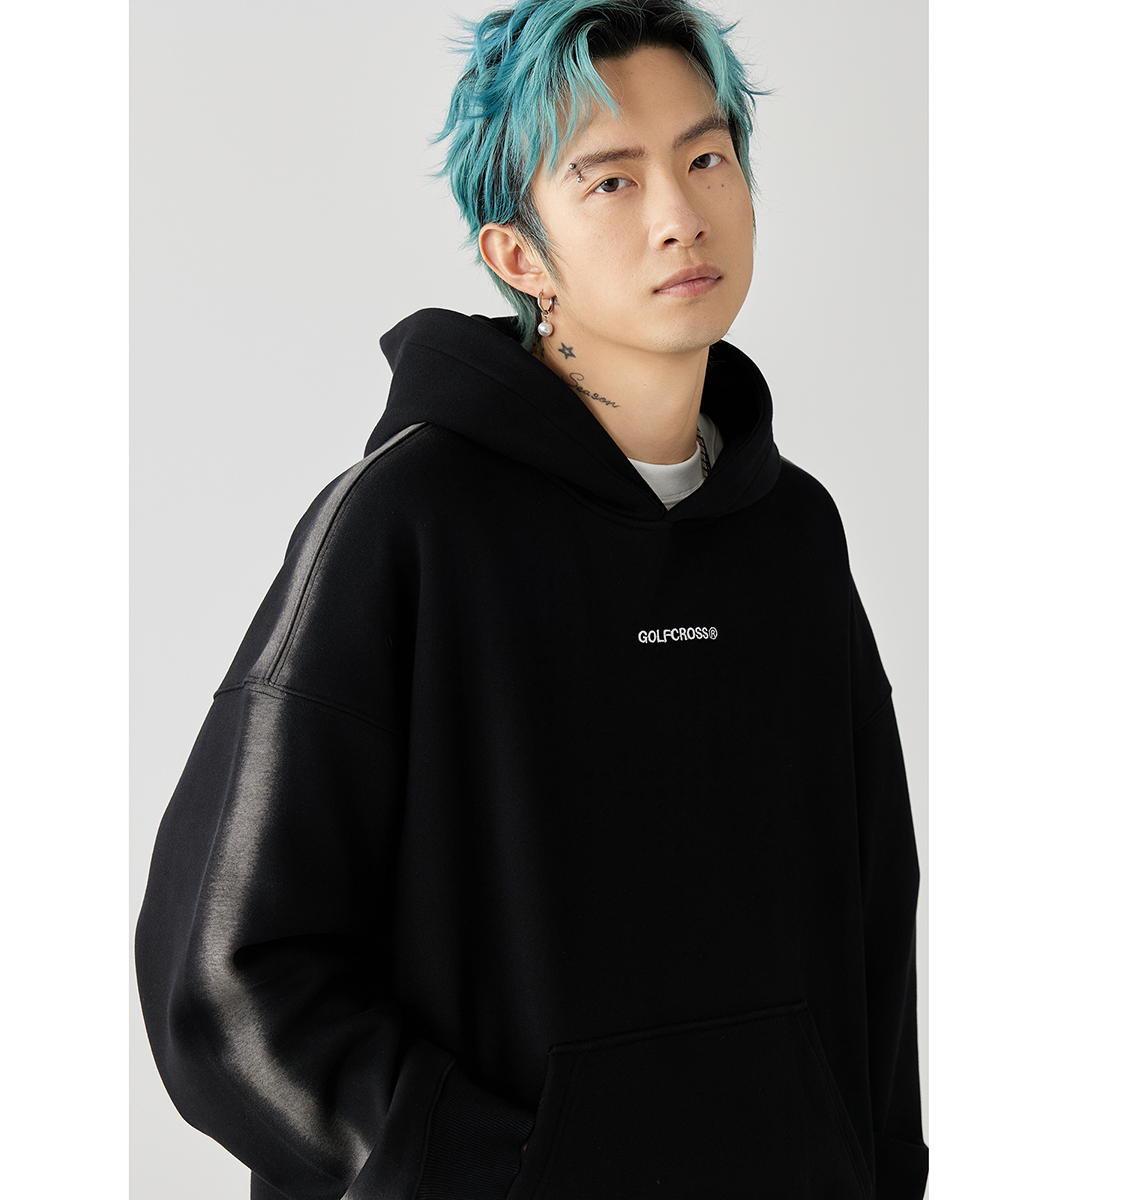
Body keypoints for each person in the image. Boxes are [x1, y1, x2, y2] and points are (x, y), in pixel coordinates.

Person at [135, 2, 928, 1198]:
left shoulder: (792, 534)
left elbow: (872, 921)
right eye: (610, 182)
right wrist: (489, 1174)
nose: (679, 214)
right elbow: (223, 980)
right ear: (518, 256)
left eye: (707, 158)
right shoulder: (407, 523)